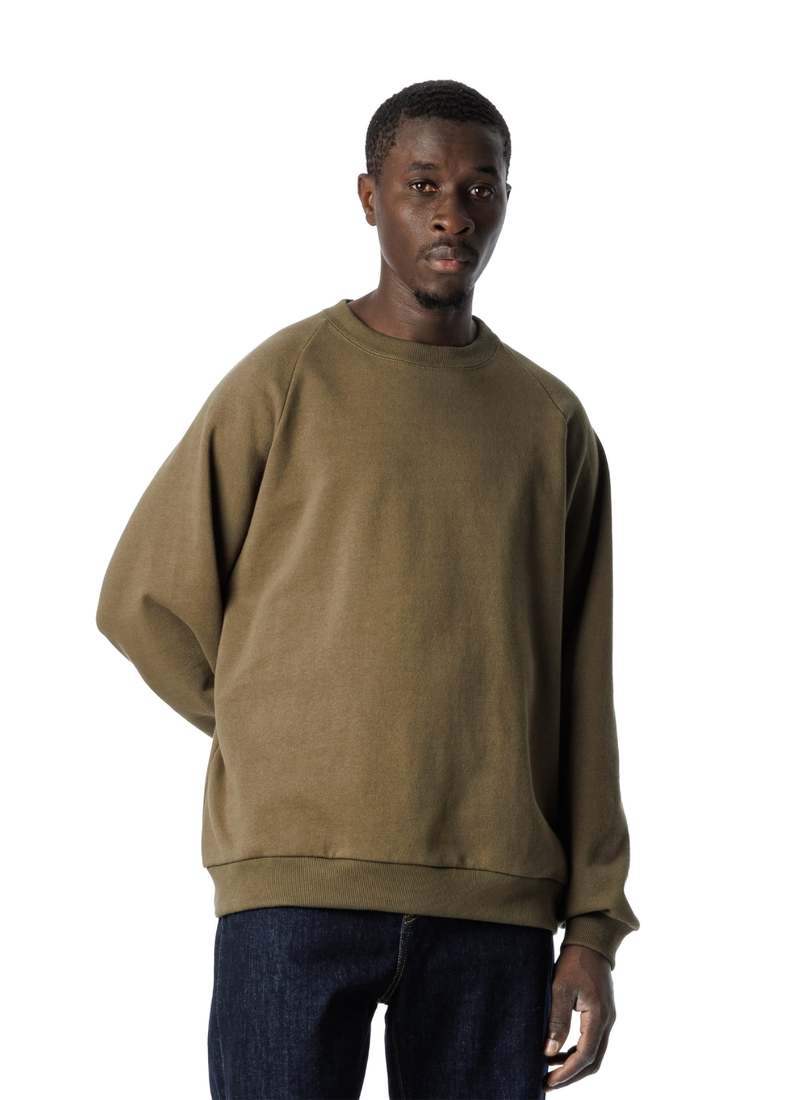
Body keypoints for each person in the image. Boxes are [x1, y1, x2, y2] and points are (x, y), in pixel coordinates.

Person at [96, 78, 640, 1098]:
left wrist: (594, 927)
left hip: (494, 904)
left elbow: (582, 690)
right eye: (422, 184)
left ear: (506, 202)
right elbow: (143, 600)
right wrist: (274, 730)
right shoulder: (285, 380)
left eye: (479, 189)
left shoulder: (549, 422)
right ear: (368, 196)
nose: (451, 214)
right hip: (293, 893)